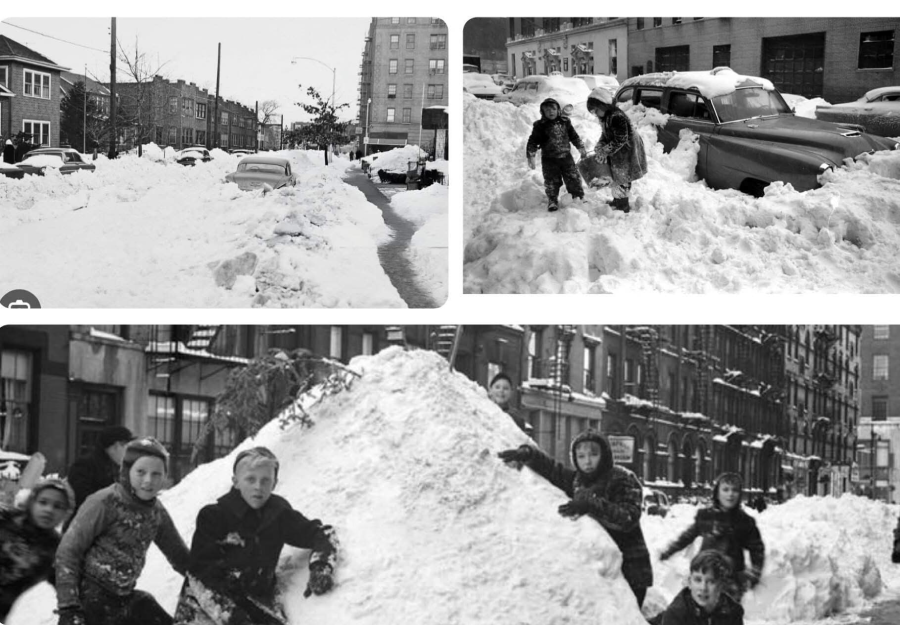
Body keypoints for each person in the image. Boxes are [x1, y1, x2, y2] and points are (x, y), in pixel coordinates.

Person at [173, 446, 337, 625]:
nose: (258, 487)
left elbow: (322, 533)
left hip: (256, 601)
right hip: (207, 603)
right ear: (236, 481)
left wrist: (321, 566)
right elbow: (200, 575)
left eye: (266, 480)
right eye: (250, 479)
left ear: (274, 483)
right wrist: (233, 617)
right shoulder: (213, 516)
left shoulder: (279, 515)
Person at [498, 429, 652, 606]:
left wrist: (590, 504)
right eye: (581, 456)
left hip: (632, 570)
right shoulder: (578, 481)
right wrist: (528, 455)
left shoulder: (622, 478)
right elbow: (553, 470)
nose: (587, 461)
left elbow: (628, 518)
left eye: (593, 455)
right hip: (601, 569)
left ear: (605, 455)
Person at [55, 437, 190, 625]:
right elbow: (68, 551)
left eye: (156, 474)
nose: (148, 480)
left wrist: (207, 579)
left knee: (147, 606)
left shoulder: (156, 512)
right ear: (126, 471)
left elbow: (179, 555)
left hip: (124, 598)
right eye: (141, 472)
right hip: (89, 598)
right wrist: (69, 608)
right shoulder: (104, 502)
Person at [660, 472, 765, 602]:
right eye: (725, 489)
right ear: (717, 493)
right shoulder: (706, 516)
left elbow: (757, 549)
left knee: (726, 616)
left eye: (735, 490)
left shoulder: (744, 521)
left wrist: (754, 573)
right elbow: (688, 536)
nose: (730, 494)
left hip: (731, 580)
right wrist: (669, 550)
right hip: (704, 574)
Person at [0, 478, 76, 621]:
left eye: (58, 506)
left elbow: (67, 588)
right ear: (32, 502)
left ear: (66, 513)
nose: (48, 510)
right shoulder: (6, 519)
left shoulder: (58, 549)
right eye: (43, 502)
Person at [585, 86, 647, 213]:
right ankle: (617, 200)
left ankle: (622, 204)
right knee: (617, 173)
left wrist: (605, 150)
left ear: (604, 106)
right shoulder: (605, 118)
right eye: (593, 111)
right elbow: (606, 135)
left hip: (628, 149)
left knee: (623, 175)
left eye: (596, 110)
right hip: (618, 150)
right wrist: (600, 145)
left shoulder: (617, 117)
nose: (595, 114)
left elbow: (620, 139)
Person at [525, 97, 587, 212]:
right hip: (549, 159)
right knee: (551, 181)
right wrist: (531, 155)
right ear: (542, 112)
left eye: (553, 109)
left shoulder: (565, 122)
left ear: (558, 110)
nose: (551, 112)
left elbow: (574, 136)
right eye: (547, 110)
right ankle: (552, 200)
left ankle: (578, 196)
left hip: (566, 157)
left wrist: (581, 147)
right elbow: (533, 141)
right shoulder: (540, 125)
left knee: (573, 177)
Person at [65, 425, 133, 528]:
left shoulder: (121, 469)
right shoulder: (85, 465)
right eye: (127, 447)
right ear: (116, 446)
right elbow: (84, 499)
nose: (129, 453)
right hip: (84, 529)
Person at [655, 550, 744, 625]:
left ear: (721, 585)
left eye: (711, 581)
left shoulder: (733, 612)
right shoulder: (677, 613)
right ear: (689, 582)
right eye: (698, 580)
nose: (703, 588)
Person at [488, 372, 532, 436]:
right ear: (490, 390)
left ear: (511, 392)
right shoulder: (483, 413)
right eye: (497, 387)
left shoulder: (516, 417)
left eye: (505, 388)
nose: (501, 390)